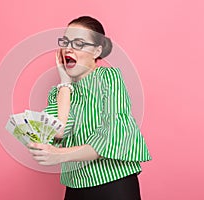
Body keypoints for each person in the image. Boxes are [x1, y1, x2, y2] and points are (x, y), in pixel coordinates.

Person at [28, 16, 152, 200]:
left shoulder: (109, 78)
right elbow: (58, 130)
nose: (68, 48)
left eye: (78, 43)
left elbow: (112, 139)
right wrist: (64, 82)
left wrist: (59, 155)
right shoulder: (60, 92)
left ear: (96, 51)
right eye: (65, 42)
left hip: (113, 183)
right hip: (75, 185)